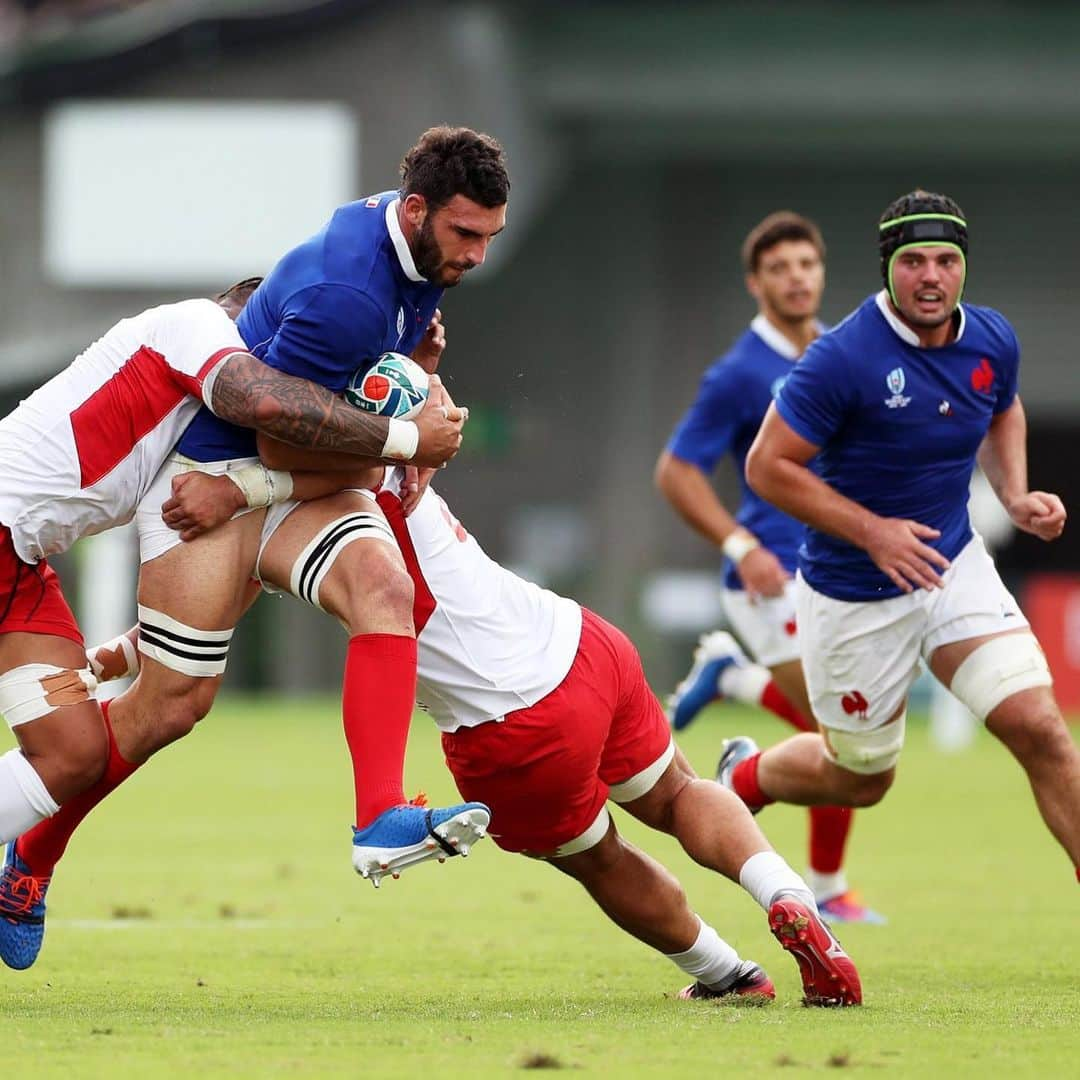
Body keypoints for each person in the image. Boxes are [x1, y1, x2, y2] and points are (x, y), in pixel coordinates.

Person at [0, 126, 508, 969]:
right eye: (467, 236)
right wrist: (401, 445)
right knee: (166, 706)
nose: (479, 256)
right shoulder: (223, 331)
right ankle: (32, 859)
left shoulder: (401, 247)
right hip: (199, 488)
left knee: (380, 592)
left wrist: (418, 391)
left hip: (31, 560)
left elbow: (343, 386)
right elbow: (268, 421)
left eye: (488, 237)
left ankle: (379, 813)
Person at [94, 460, 864, 1006]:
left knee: (601, 859)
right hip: (582, 642)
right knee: (680, 792)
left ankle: (728, 972)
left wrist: (234, 493)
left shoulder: (304, 468)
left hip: (513, 729)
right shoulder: (379, 424)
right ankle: (788, 898)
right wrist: (135, 643)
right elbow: (414, 406)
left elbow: (254, 561)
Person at [726, 189, 1080, 888]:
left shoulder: (990, 336)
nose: (931, 276)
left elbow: (1002, 404)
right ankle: (743, 774)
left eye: (946, 260)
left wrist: (1014, 492)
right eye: (914, 260)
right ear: (888, 267)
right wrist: (873, 532)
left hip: (952, 566)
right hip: (855, 595)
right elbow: (766, 467)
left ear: (962, 268)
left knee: (1041, 730)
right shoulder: (842, 357)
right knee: (859, 780)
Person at [655, 211, 883, 924]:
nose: (796, 278)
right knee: (845, 733)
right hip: (772, 576)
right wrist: (738, 546)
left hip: (835, 572)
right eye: (780, 268)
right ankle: (827, 886)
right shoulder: (739, 373)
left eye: (807, 265)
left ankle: (734, 677)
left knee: (851, 730)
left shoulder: (836, 355)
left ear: (822, 272)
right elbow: (676, 471)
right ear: (757, 283)